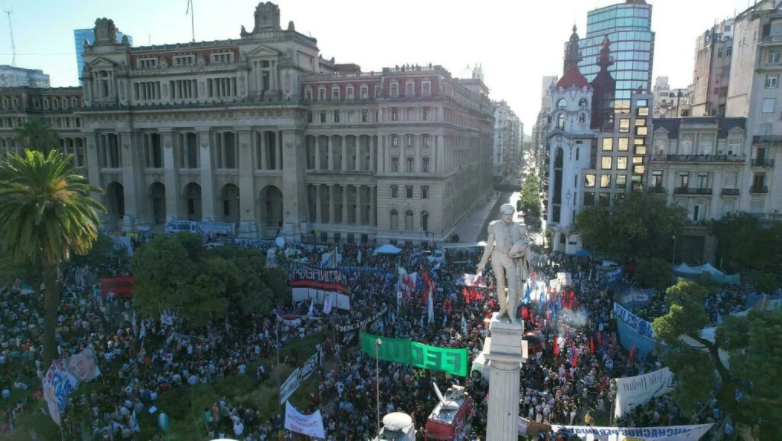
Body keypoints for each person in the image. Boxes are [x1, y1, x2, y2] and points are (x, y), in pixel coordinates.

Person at [477, 203, 530, 322]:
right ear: (502, 215)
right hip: (497, 256)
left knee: (513, 288)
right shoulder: (494, 226)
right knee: (500, 285)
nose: (508, 217)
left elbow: (524, 245)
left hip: (511, 259)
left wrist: (521, 253)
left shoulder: (518, 227)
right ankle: (503, 309)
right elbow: (489, 246)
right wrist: (483, 262)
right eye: (506, 215)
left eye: (511, 215)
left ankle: (511, 312)